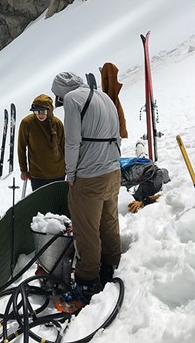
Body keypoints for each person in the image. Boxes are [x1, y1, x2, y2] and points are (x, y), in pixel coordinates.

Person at [51, 71, 122, 312]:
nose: (58, 101)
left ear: (62, 92)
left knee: (86, 230)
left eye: (56, 96)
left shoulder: (72, 99)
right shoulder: (103, 97)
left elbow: (72, 141)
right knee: (108, 220)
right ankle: (111, 264)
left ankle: (86, 283)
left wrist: (71, 174)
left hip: (88, 176)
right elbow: (118, 131)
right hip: (113, 171)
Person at [17, 94, 66, 190]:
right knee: (42, 204)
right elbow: (21, 148)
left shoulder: (57, 124)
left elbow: (64, 146)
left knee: (57, 203)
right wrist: (23, 170)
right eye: (37, 112)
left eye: (43, 111)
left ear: (49, 110)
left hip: (58, 173)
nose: (40, 115)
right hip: (38, 175)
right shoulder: (27, 123)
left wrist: (70, 168)